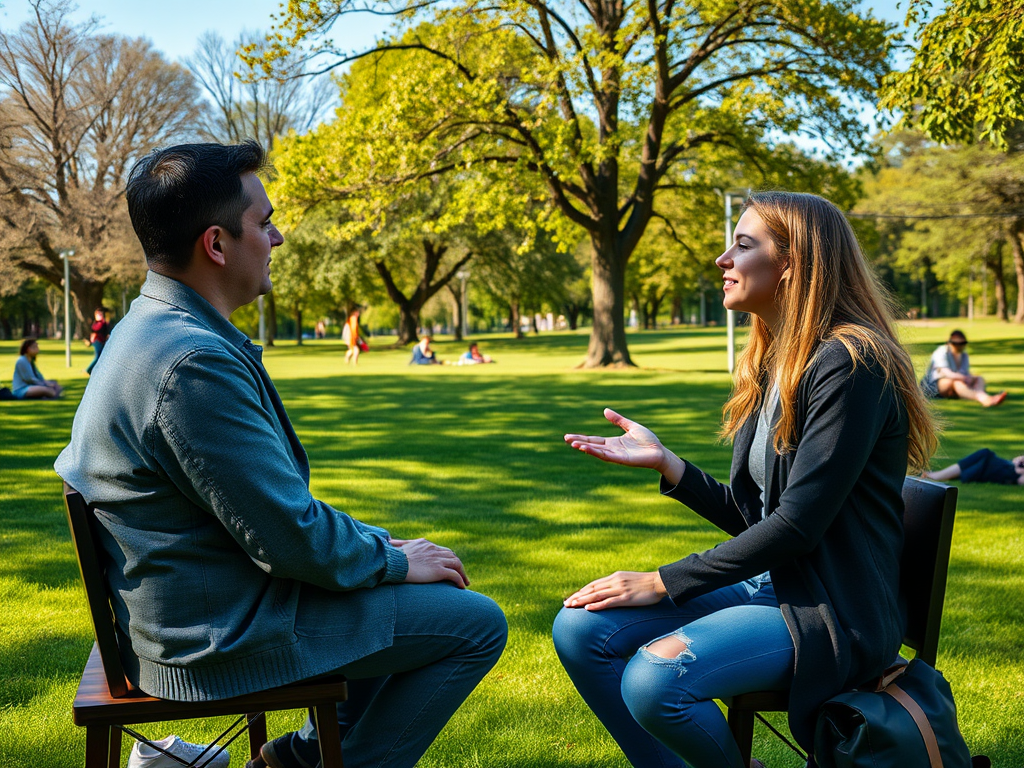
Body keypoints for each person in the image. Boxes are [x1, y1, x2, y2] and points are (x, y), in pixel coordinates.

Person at [54, 141, 506, 768]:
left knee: (396, 593)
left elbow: (273, 514)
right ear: (216, 245)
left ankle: (292, 760)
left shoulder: (148, 330)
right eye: (263, 224)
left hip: (186, 615)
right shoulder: (191, 365)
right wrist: (394, 562)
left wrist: (383, 551)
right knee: (474, 624)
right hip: (214, 638)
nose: (279, 238)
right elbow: (289, 537)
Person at [554, 191, 937, 768]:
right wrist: (669, 466)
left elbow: (799, 527)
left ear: (793, 263)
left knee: (655, 680)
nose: (721, 260)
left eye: (742, 245)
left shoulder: (851, 363)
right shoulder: (774, 360)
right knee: (580, 631)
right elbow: (761, 517)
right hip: (771, 590)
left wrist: (663, 581)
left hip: (831, 613)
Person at [921, 330, 1007, 407]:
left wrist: (969, 378)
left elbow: (965, 372)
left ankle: (982, 395)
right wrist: (964, 378)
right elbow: (946, 373)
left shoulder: (964, 355)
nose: (959, 346)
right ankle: (984, 399)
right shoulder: (941, 352)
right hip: (934, 385)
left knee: (979, 379)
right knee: (957, 382)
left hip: (955, 381)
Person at [925, 448, 1024, 485]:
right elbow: (1015, 460)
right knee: (985, 454)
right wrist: (1018, 461)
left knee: (984, 455)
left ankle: (937, 475)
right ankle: (938, 475)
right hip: (999, 464)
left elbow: (1020, 480)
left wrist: (1018, 468)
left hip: (999, 471)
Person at [85, 306, 111, 375]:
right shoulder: (97, 323)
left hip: (101, 341)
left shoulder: (104, 323)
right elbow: (95, 329)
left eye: (101, 314)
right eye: (99, 314)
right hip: (97, 341)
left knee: (101, 356)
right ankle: (88, 370)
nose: (101, 315)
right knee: (98, 357)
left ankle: (96, 370)